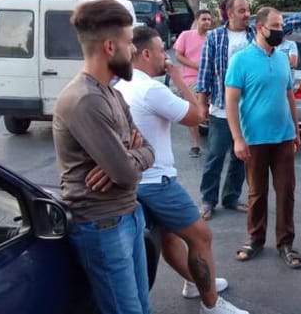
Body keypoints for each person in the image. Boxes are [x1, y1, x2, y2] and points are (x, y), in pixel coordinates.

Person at [91, 26, 247, 314]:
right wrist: (176, 76)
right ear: (145, 54)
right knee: (201, 236)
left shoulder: (120, 86)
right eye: (162, 50)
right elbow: (197, 116)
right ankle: (212, 304)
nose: (166, 56)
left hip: (134, 182)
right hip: (157, 181)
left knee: (170, 237)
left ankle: (195, 283)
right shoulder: (151, 89)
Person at [196, 0, 301, 221]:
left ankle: (231, 197)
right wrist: (201, 102)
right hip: (221, 108)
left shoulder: (256, 32)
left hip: (248, 113)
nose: (247, 14)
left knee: (240, 159)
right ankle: (208, 199)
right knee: (215, 156)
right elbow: (205, 71)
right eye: (242, 10)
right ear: (230, 13)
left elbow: (295, 20)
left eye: (248, 10)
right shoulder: (215, 37)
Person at [52, 0, 155, 314]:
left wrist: (125, 157)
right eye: (129, 42)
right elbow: (127, 173)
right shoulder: (85, 100)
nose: (133, 50)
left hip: (129, 214)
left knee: (143, 308)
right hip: (103, 225)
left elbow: (148, 149)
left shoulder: (112, 94)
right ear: (110, 47)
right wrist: (124, 161)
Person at [225, 7, 301, 269]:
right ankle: (255, 239)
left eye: (281, 25)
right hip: (255, 139)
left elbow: (289, 95)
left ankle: (286, 243)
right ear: (260, 28)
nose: (281, 31)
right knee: (256, 193)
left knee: (286, 191)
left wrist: (296, 129)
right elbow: (231, 101)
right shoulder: (240, 60)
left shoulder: (282, 58)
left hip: (284, 137)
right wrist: (237, 138)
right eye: (276, 26)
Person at [174, 9, 214, 158]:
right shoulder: (186, 35)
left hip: (211, 78)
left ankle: (215, 143)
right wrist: (196, 66)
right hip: (191, 78)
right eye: (204, 19)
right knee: (195, 108)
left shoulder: (213, 37)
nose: (207, 22)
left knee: (214, 110)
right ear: (197, 21)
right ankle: (195, 144)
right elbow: (178, 55)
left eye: (209, 19)